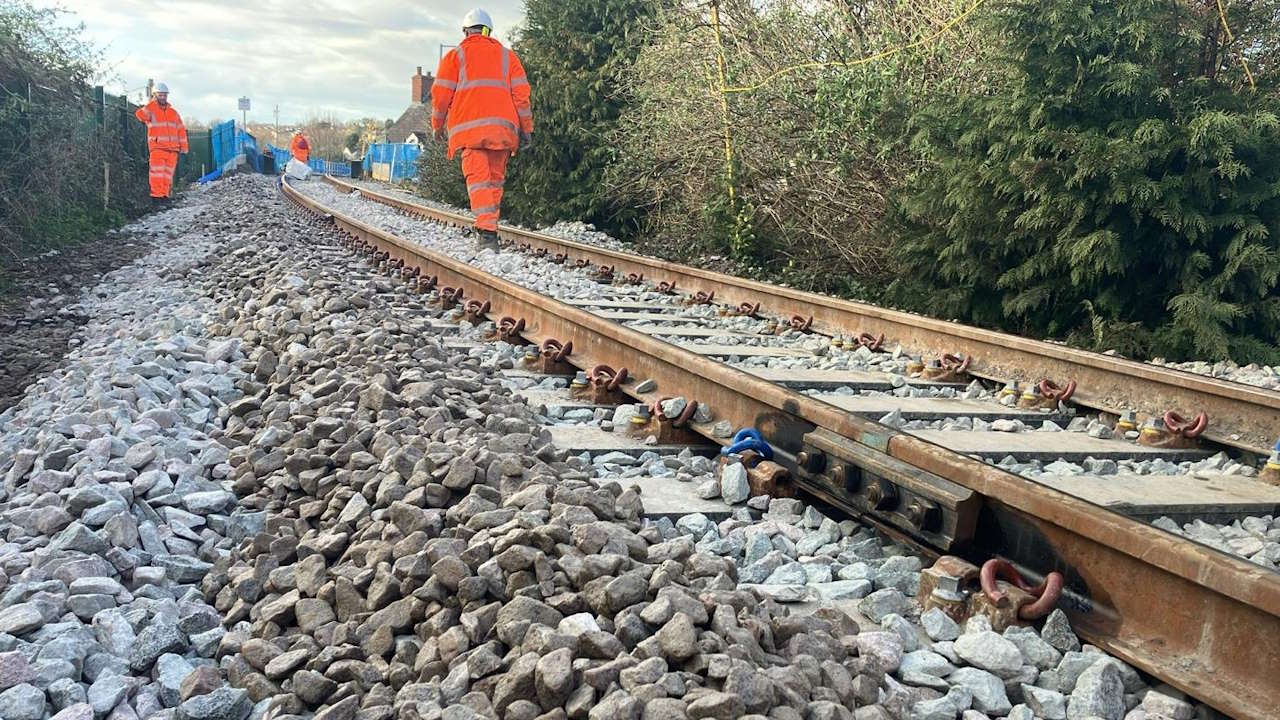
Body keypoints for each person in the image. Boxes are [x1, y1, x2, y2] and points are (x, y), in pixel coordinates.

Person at [431, 8, 533, 249]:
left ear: (466, 32)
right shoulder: (508, 57)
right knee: (494, 182)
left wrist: (437, 126)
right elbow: (522, 97)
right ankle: (489, 229)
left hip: (471, 134)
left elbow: (441, 96)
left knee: (478, 182)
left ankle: (487, 235)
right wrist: (526, 129)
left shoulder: (455, 57)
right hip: (503, 133)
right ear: (488, 31)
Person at [134, 82, 188, 205]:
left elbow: (181, 130)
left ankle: (164, 197)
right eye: (160, 95)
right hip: (158, 148)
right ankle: (157, 199)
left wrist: (184, 147)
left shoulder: (173, 113)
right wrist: (151, 103)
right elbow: (139, 115)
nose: (163, 97)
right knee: (157, 175)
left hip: (172, 149)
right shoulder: (151, 110)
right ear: (155, 95)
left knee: (167, 176)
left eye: (164, 95)